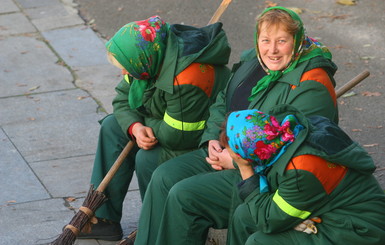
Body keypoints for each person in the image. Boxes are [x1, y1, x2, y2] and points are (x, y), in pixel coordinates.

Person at [133, 6, 340, 245]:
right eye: (265, 40)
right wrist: (212, 137)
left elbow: (296, 147)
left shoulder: (311, 84)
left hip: (262, 173)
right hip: (224, 149)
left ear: (296, 41)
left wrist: (237, 160)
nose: (272, 50)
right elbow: (224, 100)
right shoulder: (253, 62)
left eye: (281, 41)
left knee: (184, 195)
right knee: (164, 175)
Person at [77, 15, 231, 241]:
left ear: (143, 60)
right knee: (113, 125)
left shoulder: (188, 77)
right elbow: (122, 99)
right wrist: (135, 126)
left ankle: (155, 221)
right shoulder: (144, 62)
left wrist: (144, 123)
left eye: (127, 68)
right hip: (164, 120)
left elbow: (176, 136)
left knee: (147, 157)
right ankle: (103, 219)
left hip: (197, 139)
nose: (124, 74)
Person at [220, 106, 385, 245]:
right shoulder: (283, 138)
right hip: (331, 209)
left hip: (358, 228)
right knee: (244, 216)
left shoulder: (300, 169)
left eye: (233, 152)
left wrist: (245, 169)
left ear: (246, 153)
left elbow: (269, 221)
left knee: (259, 241)